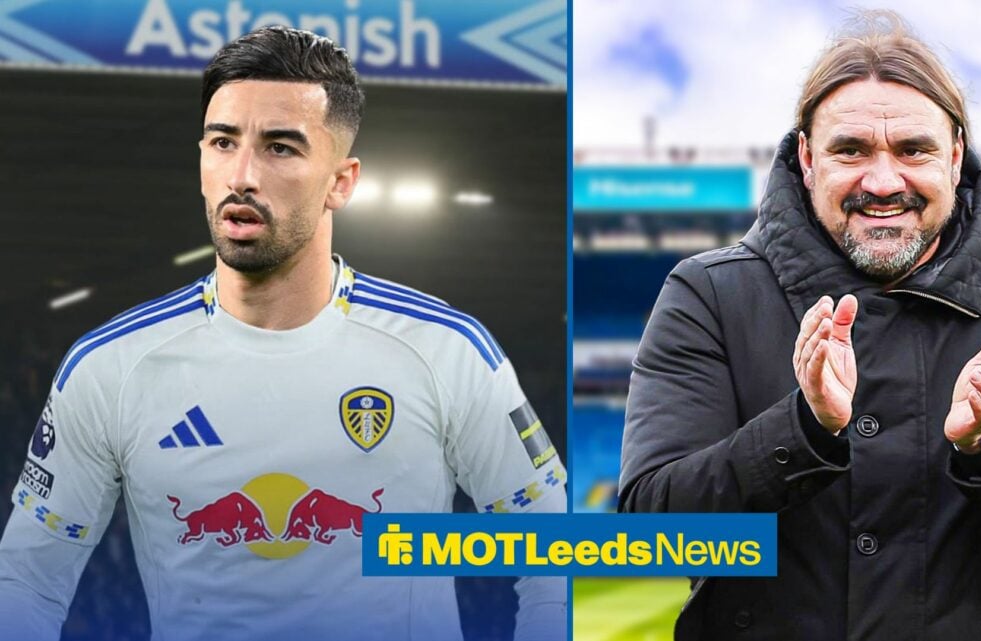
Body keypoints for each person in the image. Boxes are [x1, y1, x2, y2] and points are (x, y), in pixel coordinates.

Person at [0, 26, 566, 641]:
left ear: (341, 181)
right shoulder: (110, 367)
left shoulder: (445, 351)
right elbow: (28, 577)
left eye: (280, 147)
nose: (241, 175)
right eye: (223, 142)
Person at [619, 11, 981, 641]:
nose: (884, 182)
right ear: (808, 159)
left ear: (955, 156)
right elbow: (651, 538)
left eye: (913, 149)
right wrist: (804, 429)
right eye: (851, 150)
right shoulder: (708, 294)